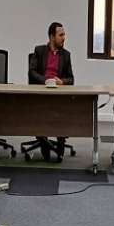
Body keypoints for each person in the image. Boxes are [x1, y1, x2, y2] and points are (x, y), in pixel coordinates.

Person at [28, 22, 75, 161]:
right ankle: (45, 144)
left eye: (64, 34)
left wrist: (62, 82)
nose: (64, 37)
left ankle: (60, 146)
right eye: (61, 35)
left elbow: (71, 79)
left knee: (61, 114)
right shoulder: (39, 50)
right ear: (51, 37)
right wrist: (45, 81)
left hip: (58, 94)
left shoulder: (66, 55)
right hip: (41, 92)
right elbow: (31, 72)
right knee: (37, 114)